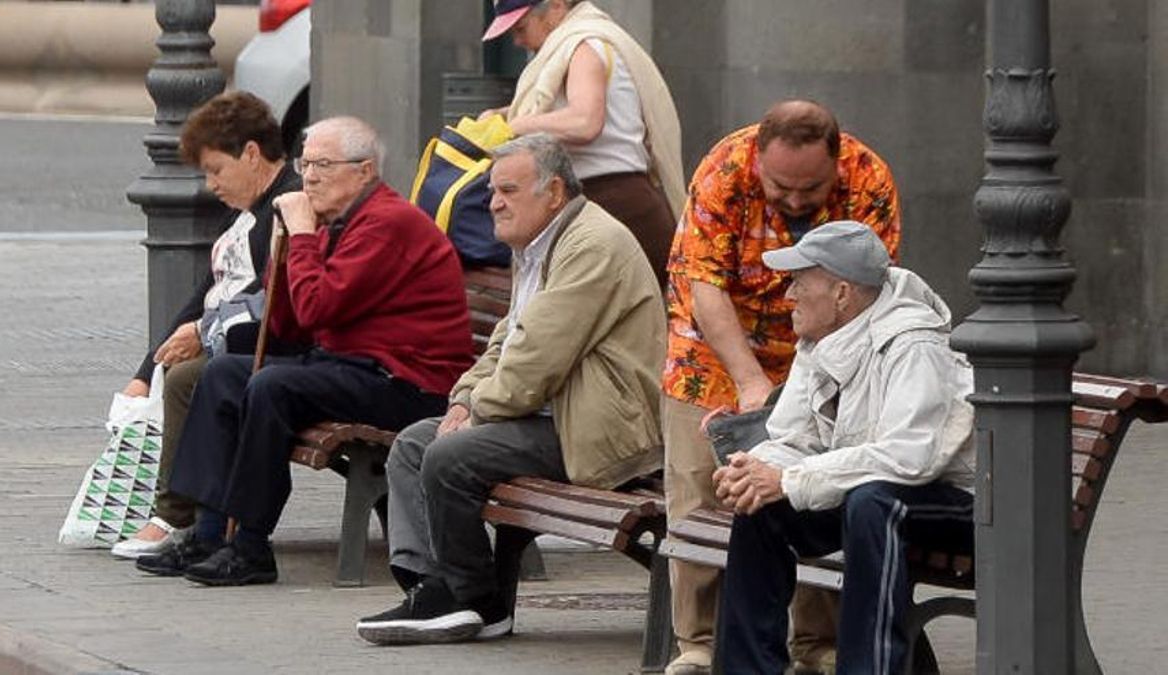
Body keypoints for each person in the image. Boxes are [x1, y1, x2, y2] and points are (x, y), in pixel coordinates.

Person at [133, 116, 476, 586]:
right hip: (351, 365)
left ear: (364, 171)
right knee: (224, 373)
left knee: (273, 385)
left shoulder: (387, 222)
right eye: (306, 163)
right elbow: (288, 322)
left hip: (406, 381)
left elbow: (318, 308)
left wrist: (302, 235)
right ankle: (209, 531)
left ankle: (251, 544)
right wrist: (285, 248)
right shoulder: (338, 220)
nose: (309, 176)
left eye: (324, 165)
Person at [355, 133, 665, 645]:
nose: (494, 202)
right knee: (414, 443)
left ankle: (474, 599)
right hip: (551, 416)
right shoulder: (539, 243)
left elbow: (537, 360)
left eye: (509, 190)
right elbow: (505, 344)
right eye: (492, 190)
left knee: (449, 455)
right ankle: (434, 589)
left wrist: (476, 411)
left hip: (601, 431)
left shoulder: (591, 244)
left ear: (555, 191)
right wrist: (462, 398)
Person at [661, 100, 902, 675]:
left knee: (816, 482)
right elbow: (705, 288)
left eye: (811, 188)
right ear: (758, 160)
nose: (795, 200)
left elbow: (868, 290)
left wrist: (816, 380)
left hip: (823, 344)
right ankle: (700, 644)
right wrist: (750, 387)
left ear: (837, 163)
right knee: (703, 487)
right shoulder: (724, 170)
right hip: (714, 348)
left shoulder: (870, 179)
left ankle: (817, 645)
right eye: (780, 186)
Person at [713, 221, 975, 674]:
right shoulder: (821, 339)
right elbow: (794, 439)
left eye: (799, 283)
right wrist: (755, 469)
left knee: (874, 503)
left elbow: (907, 458)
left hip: (962, 506)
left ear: (842, 293)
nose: (788, 295)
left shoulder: (912, 344)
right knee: (761, 506)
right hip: (873, 491)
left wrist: (789, 479)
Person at [111, 91, 301, 559]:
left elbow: (271, 304)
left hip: (272, 347)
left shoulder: (283, 210)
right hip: (237, 340)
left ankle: (174, 517)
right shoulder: (247, 212)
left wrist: (201, 336)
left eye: (216, 169)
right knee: (175, 374)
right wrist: (143, 371)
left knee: (187, 380)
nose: (211, 184)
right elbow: (207, 292)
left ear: (252, 154)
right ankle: (189, 518)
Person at [481, 0, 685, 287]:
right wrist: (498, 116)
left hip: (616, 205)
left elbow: (584, 121)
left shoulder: (584, 45)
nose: (517, 41)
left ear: (555, 5)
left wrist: (510, 127)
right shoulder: (576, 44)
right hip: (610, 205)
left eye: (521, 27)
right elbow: (561, 111)